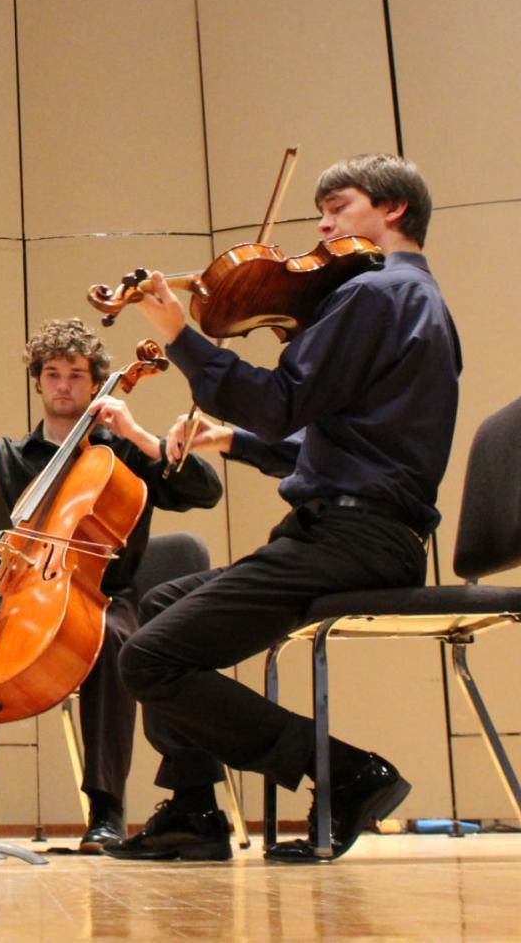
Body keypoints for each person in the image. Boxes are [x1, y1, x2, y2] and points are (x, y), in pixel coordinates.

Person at [107, 153, 460, 863]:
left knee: (146, 661)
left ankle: (342, 770)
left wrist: (180, 335)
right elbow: (330, 445)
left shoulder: (372, 296)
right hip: (359, 528)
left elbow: (277, 402)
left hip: (350, 536)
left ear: (391, 211)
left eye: (338, 208)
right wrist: (228, 438)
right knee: (166, 600)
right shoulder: (409, 301)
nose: (322, 228)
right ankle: (195, 808)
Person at [0, 318, 222, 852]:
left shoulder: (123, 452)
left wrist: (137, 434)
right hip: (18, 594)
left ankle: (106, 809)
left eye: (76, 375)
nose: (64, 385)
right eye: (53, 374)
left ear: (93, 383)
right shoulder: (10, 456)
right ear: (38, 382)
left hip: (106, 595)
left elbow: (205, 489)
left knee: (105, 641)